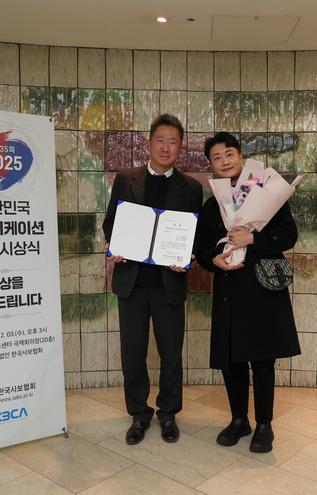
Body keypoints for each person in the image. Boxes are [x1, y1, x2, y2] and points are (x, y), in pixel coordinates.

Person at [195, 132, 301, 453]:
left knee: (262, 360)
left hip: (261, 289)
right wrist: (213, 261)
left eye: (229, 154)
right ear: (211, 165)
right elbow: (202, 250)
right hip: (228, 290)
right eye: (217, 157)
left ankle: (265, 425)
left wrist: (253, 239)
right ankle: (239, 419)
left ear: (240, 156)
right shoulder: (211, 206)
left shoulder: (267, 193)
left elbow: (289, 235)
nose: (224, 161)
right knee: (232, 361)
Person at [102, 114, 203, 445]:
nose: (166, 147)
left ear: (180, 148)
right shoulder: (126, 179)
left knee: (171, 354)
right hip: (132, 283)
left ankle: (169, 413)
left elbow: (194, 234)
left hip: (168, 284)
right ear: (149, 143)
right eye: (160, 140)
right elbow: (111, 223)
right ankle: (139, 414)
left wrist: (187, 256)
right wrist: (115, 246)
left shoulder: (191, 188)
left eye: (173, 142)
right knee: (133, 355)